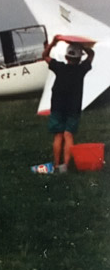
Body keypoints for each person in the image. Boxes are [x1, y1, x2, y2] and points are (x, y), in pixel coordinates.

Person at [42, 36, 95, 172]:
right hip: (73, 107)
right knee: (68, 134)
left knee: (58, 135)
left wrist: (54, 42)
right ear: (79, 58)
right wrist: (81, 46)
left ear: (66, 57)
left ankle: (55, 164)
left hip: (58, 105)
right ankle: (65, 165)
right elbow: (91, 54)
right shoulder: (82, 69)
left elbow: (45, 55)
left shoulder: (58, 67)